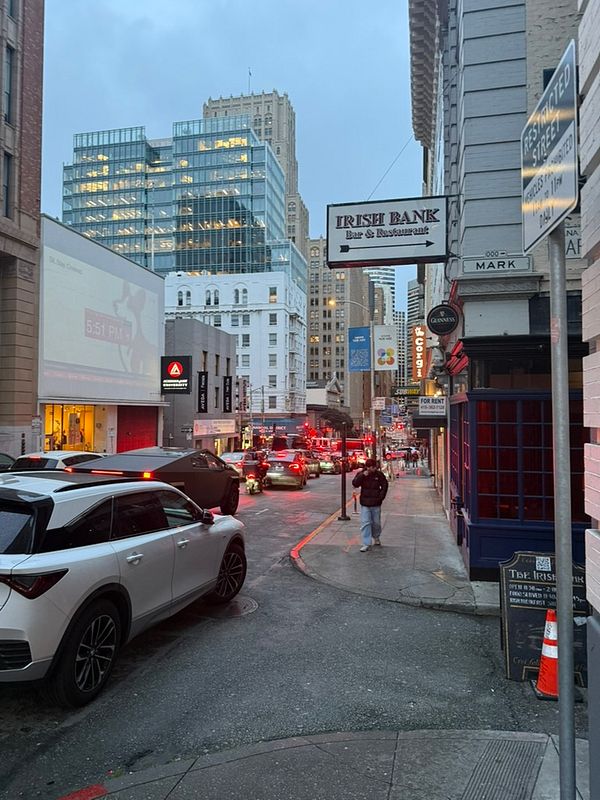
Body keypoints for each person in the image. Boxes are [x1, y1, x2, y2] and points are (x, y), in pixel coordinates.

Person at [352, 458, 389, 552]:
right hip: (365, 502)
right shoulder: (362, 474)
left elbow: (384, 484)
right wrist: (362, 476)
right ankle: (366, 543)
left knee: (376, 522)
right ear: (367, 467)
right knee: (365, 523)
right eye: (370, 468)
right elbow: (355, 483)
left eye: (374, 467)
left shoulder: (379, 475)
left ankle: (376, 537)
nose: (372, 469)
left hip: (376, 502)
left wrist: (381, 496)